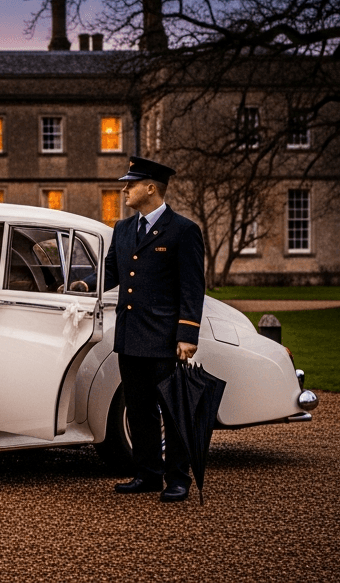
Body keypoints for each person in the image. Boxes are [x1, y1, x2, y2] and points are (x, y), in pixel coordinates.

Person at [102, 156, 205, 502]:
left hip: (164, 340)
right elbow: (112, 273)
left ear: (150, 188)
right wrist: (82, 285)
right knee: (139, 409)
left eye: (130, 184)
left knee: (173, 411)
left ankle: (178, 479)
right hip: (130, 336)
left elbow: (192, 287)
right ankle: (147, 473)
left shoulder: (183, 230)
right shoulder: (123, 229)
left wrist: (187, 335)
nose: (124, 189)